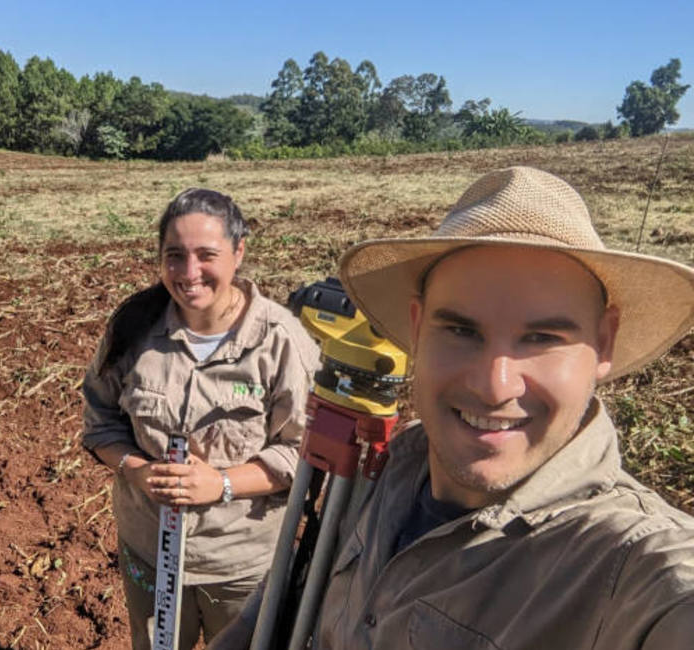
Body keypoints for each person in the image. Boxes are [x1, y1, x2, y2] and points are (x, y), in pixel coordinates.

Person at [212, 166, 694, 649]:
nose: (494, 386)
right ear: (417, 328)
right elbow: (306, 571)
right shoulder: (397, 465)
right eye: (462, 330)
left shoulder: (633, 568)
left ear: (604, 341)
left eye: (543, 338)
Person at [81, 188, 320, 649]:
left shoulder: (282, 342)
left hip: (240, 565)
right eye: (175, 255)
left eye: (206, 255)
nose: (189, 273)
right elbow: (100, 422)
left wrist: (222, 484)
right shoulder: (133, 328)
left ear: (239, 252)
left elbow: (304, 452)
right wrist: (137, 470)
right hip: (147, 551)